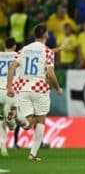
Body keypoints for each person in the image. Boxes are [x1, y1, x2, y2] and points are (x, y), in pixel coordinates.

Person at [6, 24, 62, 161]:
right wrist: (57, 87)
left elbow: (12, 67)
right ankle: (33, 154)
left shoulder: (24, 49)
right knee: (41, 120)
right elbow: (50, 72)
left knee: (28, 124)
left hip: (23, 88)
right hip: (39, 87)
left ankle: (16, 118)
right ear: (46, 35)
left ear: (34, 35)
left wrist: (9, 86)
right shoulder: (48, 51)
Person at [0, 37, 26, 156]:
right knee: (15, 120)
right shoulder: (19, 56)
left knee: (1, 121)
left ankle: (3, 147)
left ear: (4, 45)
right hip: (12, 91)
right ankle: (12, 121)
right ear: (15, 46)